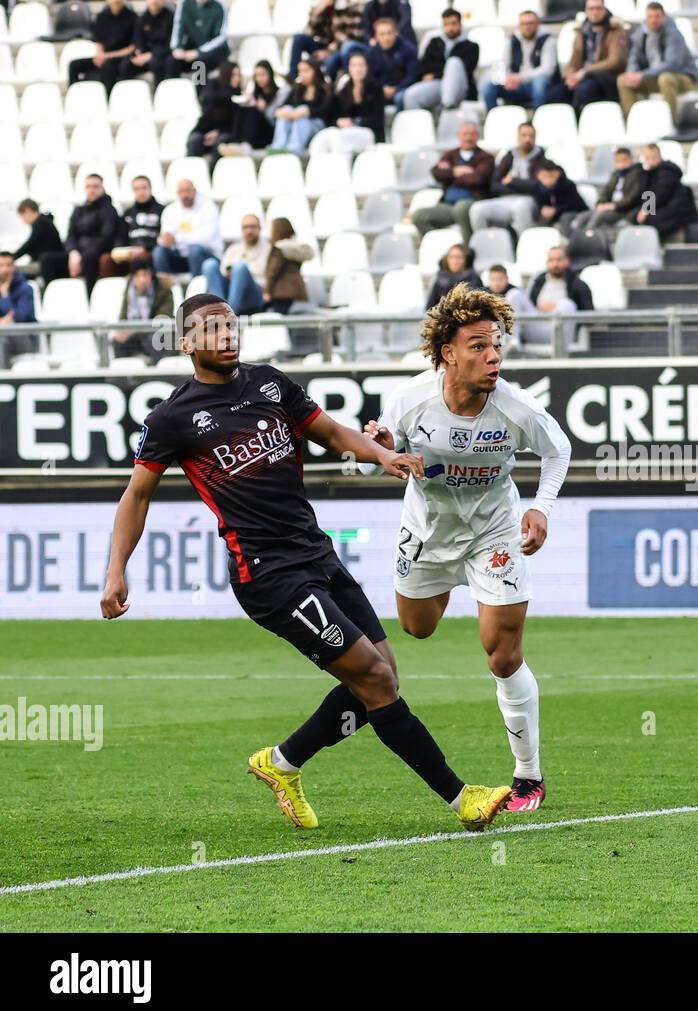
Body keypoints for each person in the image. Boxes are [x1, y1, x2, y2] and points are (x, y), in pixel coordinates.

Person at [102, 294, 512, 833]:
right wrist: (115, 571)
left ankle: (282, 762)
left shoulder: (269, 383)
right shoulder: (174, 418)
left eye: (231, 325)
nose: (227, 335)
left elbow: (330, 432)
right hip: (267, 574)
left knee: (382, 673)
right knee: (374, 678)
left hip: (315, 550)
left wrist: (383, 455)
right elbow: (137, 496)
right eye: (212, 328)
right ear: (186, 343)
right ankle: (462, 798)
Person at [361, 283, 572, 815]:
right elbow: (374, 458)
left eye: (497, 344)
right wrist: (381, 453)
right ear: (447, 353)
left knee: (502, 653)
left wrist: (541, 508)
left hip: (493, 532)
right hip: (428, 530)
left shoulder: (516, 406)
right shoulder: (411, 400)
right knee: (417, 628)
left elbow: (558, 449)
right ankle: (451, 586)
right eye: (478, 345)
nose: (493, 355)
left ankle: (528, 777)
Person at [415, 119, 494, 243]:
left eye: (472, 134)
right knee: (420, 216)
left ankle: (468, 249)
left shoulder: (485, 157)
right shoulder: (450, 154)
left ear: (478, 136)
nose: (468, 138)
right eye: (464, 134)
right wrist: (456, 171)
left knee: (461, 209)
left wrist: (450, 174)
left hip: (472, 201)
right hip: (447, 205)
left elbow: (478, 179)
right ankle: (437, 247)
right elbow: (436, 172)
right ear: (458, 136)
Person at [617, 2, 698, 120]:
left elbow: (672, 64)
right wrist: (632, 73)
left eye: (657, 16)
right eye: (650, 17)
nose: (653, 20)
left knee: (665, 78)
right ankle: (633, 122)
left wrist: (643, 75)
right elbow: (634, 58)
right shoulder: (640, 34)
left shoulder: (673, 34)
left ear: (664, 17)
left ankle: (671, 121)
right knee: (623, 80)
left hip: (684, 78)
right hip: (655, 78)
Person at [546, 0, 629, 112]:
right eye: (591, 9)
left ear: (604, 9)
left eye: (598, 8)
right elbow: (574, 60)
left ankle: (582, 122)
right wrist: (570, 77)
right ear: (586, 11)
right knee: (555, 93)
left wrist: (586, 71)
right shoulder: (581, 31)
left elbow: (615, 61)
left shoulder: (615, 30)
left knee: (585, 90)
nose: (595, 12)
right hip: (582, 76)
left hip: (605, 78)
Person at [40, 174, 121, 288]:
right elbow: (70, 235)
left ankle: (90, 298)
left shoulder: (109, 210)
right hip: (77, 254)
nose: (92, 190)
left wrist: (82, 255)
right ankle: (52, 294)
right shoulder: (78, 210)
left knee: (89, 257)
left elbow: (107, 237)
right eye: (89, 186)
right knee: (47, 259)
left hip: (95, 254)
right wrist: (73, 252)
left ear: (102, 188)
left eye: (95, 186)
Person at [469, 122, 546, 237]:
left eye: (531, 136)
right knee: (477, 209)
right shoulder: (509, 156)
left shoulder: (541, 159)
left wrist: (512, 181)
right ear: (518, 137)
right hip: (504, 200)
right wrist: (521, 186)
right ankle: (484, 243)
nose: (527, 139)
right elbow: (494, 185)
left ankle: (522, 247)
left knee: (521, 207)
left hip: (529, 201)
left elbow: (536, 186)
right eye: (524, 135)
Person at [403, 8, 476, 112]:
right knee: (411, 95)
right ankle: (419, 125)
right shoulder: (435, 42)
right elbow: (425, 65)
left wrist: (436, 75)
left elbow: (466, 70)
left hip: (460, 86)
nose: (450, 28)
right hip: (438, 84)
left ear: (460, 24)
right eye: (446, 24)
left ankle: (447, 108)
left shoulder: (471, 46)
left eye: (453, 24)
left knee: (453, 63)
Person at [482, 10, 556, 111]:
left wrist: (520, 77)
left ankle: (537, 121)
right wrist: (507, 79)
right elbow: (504, 65)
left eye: (530, 23)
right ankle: (493, 120)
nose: (527, 27)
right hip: (516, 86)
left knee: (539, 83)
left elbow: (547, 71)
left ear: (538, 24)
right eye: (524, 24)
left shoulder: (547, 40)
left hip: (538, 86)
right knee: (489, 86)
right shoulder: (511, 41)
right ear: (519, 25)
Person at [525, 245, 592, 348]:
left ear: (567, 261)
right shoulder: (538, 282)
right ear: (546, 263)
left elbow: (589, 315)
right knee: (514, 295)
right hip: (538, 327)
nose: (555, 264)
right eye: (551, 260)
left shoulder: (578, 285)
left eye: (559, 260)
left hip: (563, 333)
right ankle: (508, 345)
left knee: (567, 305)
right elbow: (530, 305)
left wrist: (554, 309)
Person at [203, 214, 270, 315]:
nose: (249, 231)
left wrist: (240, 273)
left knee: (240, 268)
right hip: (231, 290)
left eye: (252, 227)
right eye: (245, 227)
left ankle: (229, 315)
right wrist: (230, 274)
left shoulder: (269, 249)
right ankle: (218, 311)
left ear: (260, 228)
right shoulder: (233, 249)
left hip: (255, 293)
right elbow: (222, 271)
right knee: (209, 264)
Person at [153, 178, 222, 277]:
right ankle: (165, 289)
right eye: (181, 192)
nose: (185, 195)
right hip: (180, 256)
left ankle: (198, 290)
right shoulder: (170, 210)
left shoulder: (209, 208)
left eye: (188, 191)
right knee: (159, 251)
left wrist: (177, 239)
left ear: (195, 191)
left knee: (195, 250)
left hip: (207, 257)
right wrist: (164, 240)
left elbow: (205, 239)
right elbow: (166, 238)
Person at [102, 175, 166, 280]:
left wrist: (146, 248)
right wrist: (120, 250)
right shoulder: (128, 213)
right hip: (130, 251)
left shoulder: (162, 211)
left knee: (142, 257)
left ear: (150, 188)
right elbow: (120, 236)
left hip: (151, 251)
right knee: (106, 260)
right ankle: (109, 289)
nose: (141, 192)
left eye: (144, 188)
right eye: (137, 189)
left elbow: (164, 237)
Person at [570, 145, 644, 234]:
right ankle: (575, 239)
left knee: (598, 218)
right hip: (609, 207)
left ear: (631, 159)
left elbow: (632, 197)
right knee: (582, 217)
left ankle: (587, 240)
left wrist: (613, 206)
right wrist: (600, 203)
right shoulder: (615, 175)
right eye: (618, 161)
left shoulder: (637, 175)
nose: (621, 163)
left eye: (624, 160)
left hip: (623, 210)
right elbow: (605, 192)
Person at [67, 0, 139, 92]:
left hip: (121, 57)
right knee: (74, 65)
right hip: (104, 56)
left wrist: (107, 56)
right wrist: (99, 54)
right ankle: (74, 93)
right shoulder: (101, 17)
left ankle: (107, 98)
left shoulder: (133, 17)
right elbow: (99, 41)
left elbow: (132, 47)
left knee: (109, 65)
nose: (115, 3)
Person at [221, 59, 288, 156]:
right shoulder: (256, 94)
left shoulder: (279, 94)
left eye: (262, 74)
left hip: (271, 133)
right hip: (256, 134)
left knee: (252, 109)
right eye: (257, 75)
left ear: (270, 74)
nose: (259, 78)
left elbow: (277, 118)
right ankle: (237, 143)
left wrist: (263, 109)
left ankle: (245, 146)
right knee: (243, 107)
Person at [113, 258, 173, 362]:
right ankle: (123, 376)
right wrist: (121, 329)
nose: (142, 280)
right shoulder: (129, 289)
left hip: (158, 333)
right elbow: (123, 314)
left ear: (151, 275)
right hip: (135, 334)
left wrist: (133, 330)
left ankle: (159, 374)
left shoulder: (163, 290)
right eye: (138, 275)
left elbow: (162, 319)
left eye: (145, 275)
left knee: (153, 340)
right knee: (117, 342)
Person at [289, 0, 366, 80]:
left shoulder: (350, 7)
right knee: (298, 38)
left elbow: (348, 37)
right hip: (323, 45)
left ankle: (330, 87)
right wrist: (318, 11)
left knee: (331, 61)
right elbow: (309, 32)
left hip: (341, 48)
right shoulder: (322, 7)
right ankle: (293, 78)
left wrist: (328, 51)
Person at [270, 59, 332, 155]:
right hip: (296, 123)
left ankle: (294, 149)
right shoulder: (297, 88)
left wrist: (307, 111)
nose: (302, 74)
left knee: (302, 116)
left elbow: (326, 112)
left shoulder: (325, 89)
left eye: (306, 70)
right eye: (300, 71)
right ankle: (278, 146)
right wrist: (284, 112)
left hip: (316, 125)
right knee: (287, 110)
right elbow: (282, 106)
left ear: (315, 71)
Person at [636, 142, 697, 239]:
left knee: (651, 222)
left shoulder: (667, 171)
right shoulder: (650, 173)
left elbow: (661, 193)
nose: (650, 160)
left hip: (679, 211)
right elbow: (646, 192)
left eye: (653, 157)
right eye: (647, 157)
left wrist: (645, 210)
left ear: (659, 156)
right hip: (666, 208)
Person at [187, 61, 241, 160]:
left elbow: (236, 124)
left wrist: (218, 132)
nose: (237, 79)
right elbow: (207, 112)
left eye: (238, 75)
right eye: (233, 75)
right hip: (208, 129)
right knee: (195, 139)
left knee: (221, 141)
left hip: (227, 132)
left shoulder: (239, 96)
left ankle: (213, 173)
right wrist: (207, 133)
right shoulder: (213, 89)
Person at [168, 0, 231, 81]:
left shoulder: (220, 5)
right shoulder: (184, 4)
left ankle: (200, 92)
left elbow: (221, 37)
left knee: (200, 63)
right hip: (191, 50)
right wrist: (177, 47)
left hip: (214, 51)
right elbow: (178, 27)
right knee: (171, 61)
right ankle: (171, 90)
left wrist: (199, 52)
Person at [262, 217, 314, 314]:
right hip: (298, 290)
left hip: (281, 292)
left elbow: (273, 272)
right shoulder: (296, 247)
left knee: (280, 321)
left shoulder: (279, 248)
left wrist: (267, 291)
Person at [366, 16, 420, 108]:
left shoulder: (408, 49)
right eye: (382, 34)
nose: (386, 38)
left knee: (399, 98)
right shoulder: (372, 52)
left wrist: (396, 88)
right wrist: (382, 88)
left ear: (396, 33)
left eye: (389, 33)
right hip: (381, 89)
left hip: (403, 88)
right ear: (376, 36)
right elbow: (370, 76)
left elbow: (413, 75)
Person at [334, 49, 386, 142]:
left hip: (370, 133)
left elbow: (377, 119)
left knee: (342, 138)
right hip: (348, 132)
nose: (358, 69)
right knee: (329, 135)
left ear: (367, 67)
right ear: (349, 68)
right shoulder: (344, 90)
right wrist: (339, 122)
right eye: (354, 65)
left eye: (361, 65)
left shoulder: (375, 89)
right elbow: (335, 115)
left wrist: (354, 122)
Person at [531, 159, 588, 236]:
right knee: (540, 216)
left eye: (548, 176)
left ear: (556, 173)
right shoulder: (539, 187)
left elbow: (574, 205)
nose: (546, 181)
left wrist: (556, 210)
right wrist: (542, 209)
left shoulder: (567, 185)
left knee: (565, 218)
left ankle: (570, 241)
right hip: (553, 215)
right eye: (542, 178)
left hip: (574, 212)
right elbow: (539, 202)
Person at [0, 251, 37, 362]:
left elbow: (19, 317)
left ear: (14, 267)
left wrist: (5, 295)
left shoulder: (25, 289)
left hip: (24, 337)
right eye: (1, 265)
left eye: (8, 265)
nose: (5, 269)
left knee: (2, 339)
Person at [484, 262, 531, 348]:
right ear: (488, 281)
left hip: (526, 328)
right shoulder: (484, 295)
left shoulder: (515, 293)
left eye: (500, 279)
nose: (496, 283)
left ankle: (514, 340)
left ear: (507, 279)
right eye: (493, 279)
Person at [129, 0, 175, 85]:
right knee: (126, 64)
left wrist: (151, 55)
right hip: (145, 54)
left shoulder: (170, 17)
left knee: (160, 63)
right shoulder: (142, 18)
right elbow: (138, 40)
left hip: (162, 54)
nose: (154, 1)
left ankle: (159, 92)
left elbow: (170, 44)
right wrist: (139, 52)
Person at [13, 199, 63, 270]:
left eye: (22, 216)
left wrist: (11, 257)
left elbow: (29, 244)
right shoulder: (43, 221)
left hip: (50, 264)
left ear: (28, 210)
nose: (23, 221)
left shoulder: (41, 223)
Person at [426, 243, 482, 307]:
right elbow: (430, 306)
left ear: (466, 260)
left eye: (459, 257)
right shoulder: (440, 278)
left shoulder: (473, 278)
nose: (455, 261)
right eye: (451, 257)